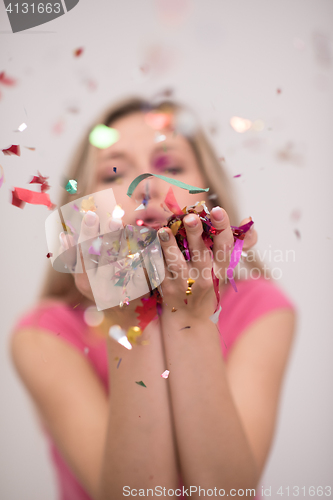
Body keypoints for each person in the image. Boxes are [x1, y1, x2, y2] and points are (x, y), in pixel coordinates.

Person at [9, 97, 296, 500]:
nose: (145, 185)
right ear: (80, 214)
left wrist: (192, 317)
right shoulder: (44, 335)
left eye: (171, 166)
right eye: (114, 171)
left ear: (212, 201)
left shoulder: (261, 309)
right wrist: (129, 317)